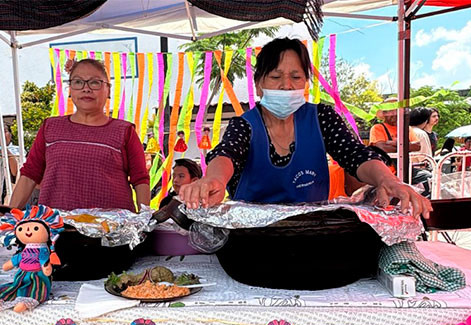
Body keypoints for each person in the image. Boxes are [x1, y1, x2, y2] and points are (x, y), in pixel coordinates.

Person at [179, 38, 431, 218]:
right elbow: (226, 154)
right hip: (253, 240)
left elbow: (355, 155)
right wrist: (213, 180)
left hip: (311, 233)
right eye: (276, 77)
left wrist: (388, 180)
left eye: (296, 77)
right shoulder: (244, 125)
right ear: (258, 84)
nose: (287, 86)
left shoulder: (321, 117)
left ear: (306, 83)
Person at [0, 59, 150, 212]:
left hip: (112, 229)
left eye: (95, 82)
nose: (86, 89)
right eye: (78, 82)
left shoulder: (124, 131)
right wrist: (10, 214)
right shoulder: (50, 127)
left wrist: (144, 219)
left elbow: (140, 179)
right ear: (70, 89)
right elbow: (30, 175)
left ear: (108, 90)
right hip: (57, 227)